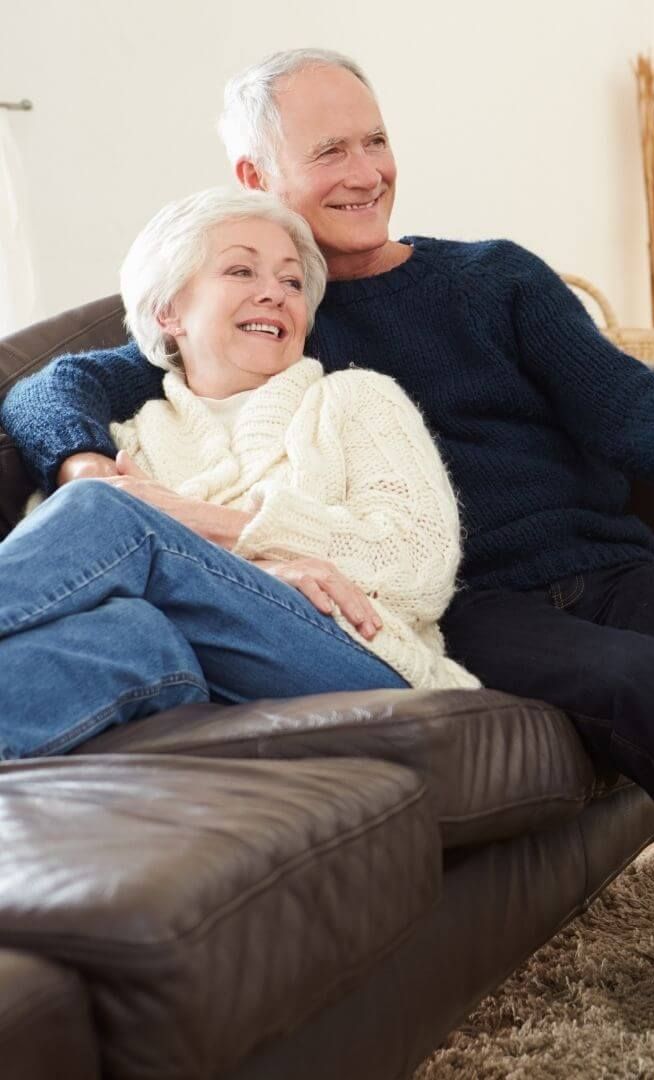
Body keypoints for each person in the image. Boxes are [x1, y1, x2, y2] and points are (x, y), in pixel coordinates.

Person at [2, 49, 654, 1080]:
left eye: (375, 140)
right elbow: (54, 386)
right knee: (640, 685)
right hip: (475, 606)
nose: (366, 170)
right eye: (329, 151)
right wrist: (92, 465)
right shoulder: (277, 310)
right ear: (256, 175)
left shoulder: (492, 280)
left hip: (610, 569)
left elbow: (626, 402)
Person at [0, 185, 478, 759]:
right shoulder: (128, 441)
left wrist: (200, 522)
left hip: (360, 659)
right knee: (129, 632)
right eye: (241, 271)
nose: (274, 293)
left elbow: (418, 564)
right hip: (202, 671)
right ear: (168, 311)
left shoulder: (357, 400)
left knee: (103, 508)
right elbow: (62, 582)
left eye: (291, 282)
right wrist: (261, 574)